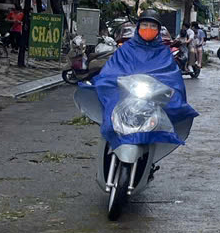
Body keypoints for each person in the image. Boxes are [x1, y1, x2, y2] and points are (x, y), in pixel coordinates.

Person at [81, 9, 197, 150]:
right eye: (145, 25)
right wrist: (113, 82)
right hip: (126, 97)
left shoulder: (164, 53)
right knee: (109, 105)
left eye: (153, 26)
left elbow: (172, 78)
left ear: (158, 29)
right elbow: (112, 71)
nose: (149, 29)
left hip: (151, 100)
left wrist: (167, 91)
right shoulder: (126, 49)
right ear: (138, 27)